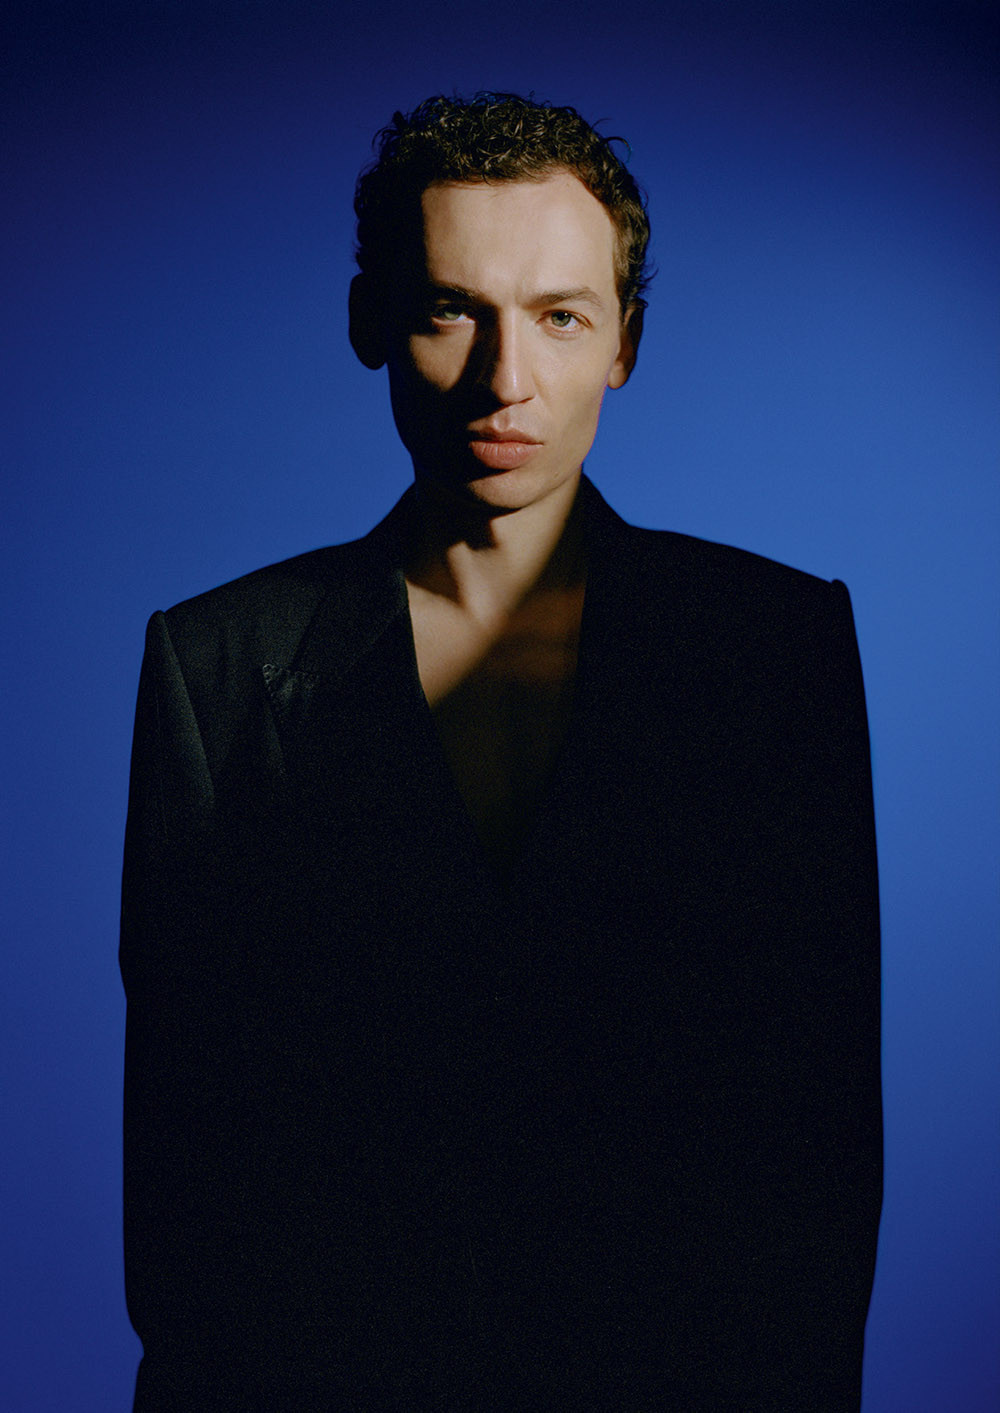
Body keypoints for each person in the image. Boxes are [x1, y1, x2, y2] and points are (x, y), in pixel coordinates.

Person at [120, 93, 882, 1411]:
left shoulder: (776, 650)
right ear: (370, 323)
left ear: (626, 341)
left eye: (560, 316)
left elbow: (819, 1140)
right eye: (450, 311)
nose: (505, 380)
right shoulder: (221, 664)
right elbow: (188, 1164)